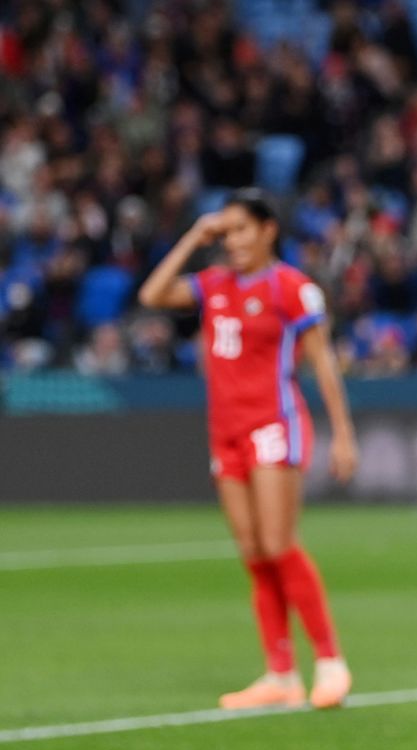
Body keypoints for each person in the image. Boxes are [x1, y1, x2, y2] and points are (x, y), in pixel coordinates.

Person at [138, 190, 357, 710]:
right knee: (254, 553)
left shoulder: (291, 288)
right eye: (226, 231)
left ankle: (330, 662)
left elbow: (322, 363)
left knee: (280, 543)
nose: (231, 240)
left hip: (273, 425)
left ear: (267, 231)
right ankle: (280, 676)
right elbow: (153, 294)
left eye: (240, 230)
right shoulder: (214, 285)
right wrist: (195, 235)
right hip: (226, 432)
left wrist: (343, 434)